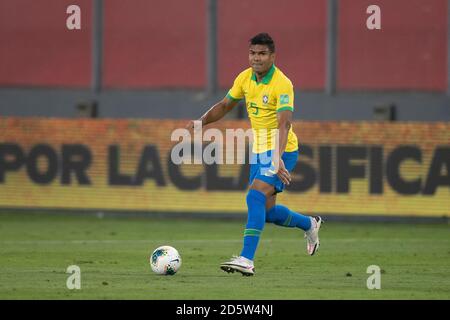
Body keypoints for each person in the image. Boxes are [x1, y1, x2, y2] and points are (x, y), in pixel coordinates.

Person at [186, 33, 322, 276]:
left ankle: (246, 259)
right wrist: (201, 122)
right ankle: (310, 224)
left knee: (255, 196)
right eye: (252, 53)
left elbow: (285, 124)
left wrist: (277, 156)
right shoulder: (244, 78)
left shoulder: (282, 83)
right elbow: (225, 105)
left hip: (283, 150)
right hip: (259, 150)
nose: (256, 58)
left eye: (261, 54)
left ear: (272, 56)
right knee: (267, 212)